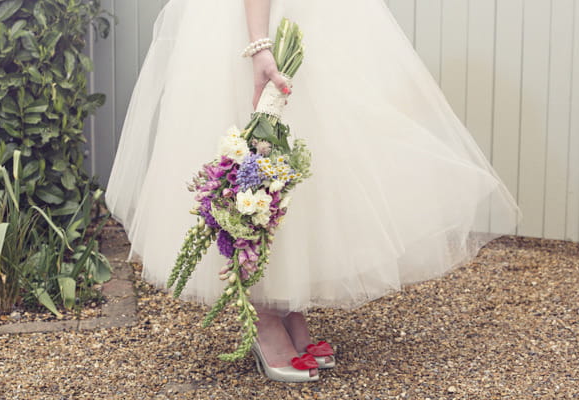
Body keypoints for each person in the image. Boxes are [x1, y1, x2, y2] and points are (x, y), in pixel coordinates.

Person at [105, 0, 522, 382]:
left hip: (307, 16)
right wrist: (259, 44)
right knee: (261, 150)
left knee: (306, 157)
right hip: (251, 20)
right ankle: (265, 313)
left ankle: (288, 305)